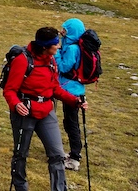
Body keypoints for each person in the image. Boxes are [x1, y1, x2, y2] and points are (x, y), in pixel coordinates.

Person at [3, 26, 88, 191]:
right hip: (25, 112)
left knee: (57, 155)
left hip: (46, 111)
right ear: (44, 46)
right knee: (21, 154)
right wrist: (16, 104)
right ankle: (21, 187)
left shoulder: (51, 61)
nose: (59, 46)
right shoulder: (22, 61)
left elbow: (55, 88)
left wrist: (75, 101)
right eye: (55, 44)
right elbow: (10, 90)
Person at [54, 18, 86, 172]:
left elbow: (64, 67)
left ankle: (75, 158)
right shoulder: (73, 45)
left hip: (71, 91)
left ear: (72, 31)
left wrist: (57, 52)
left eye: (65, 29)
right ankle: (74, 154)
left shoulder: (72, 48)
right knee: (70, 122)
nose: (62, 32)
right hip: (72, 88)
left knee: (72, 124)